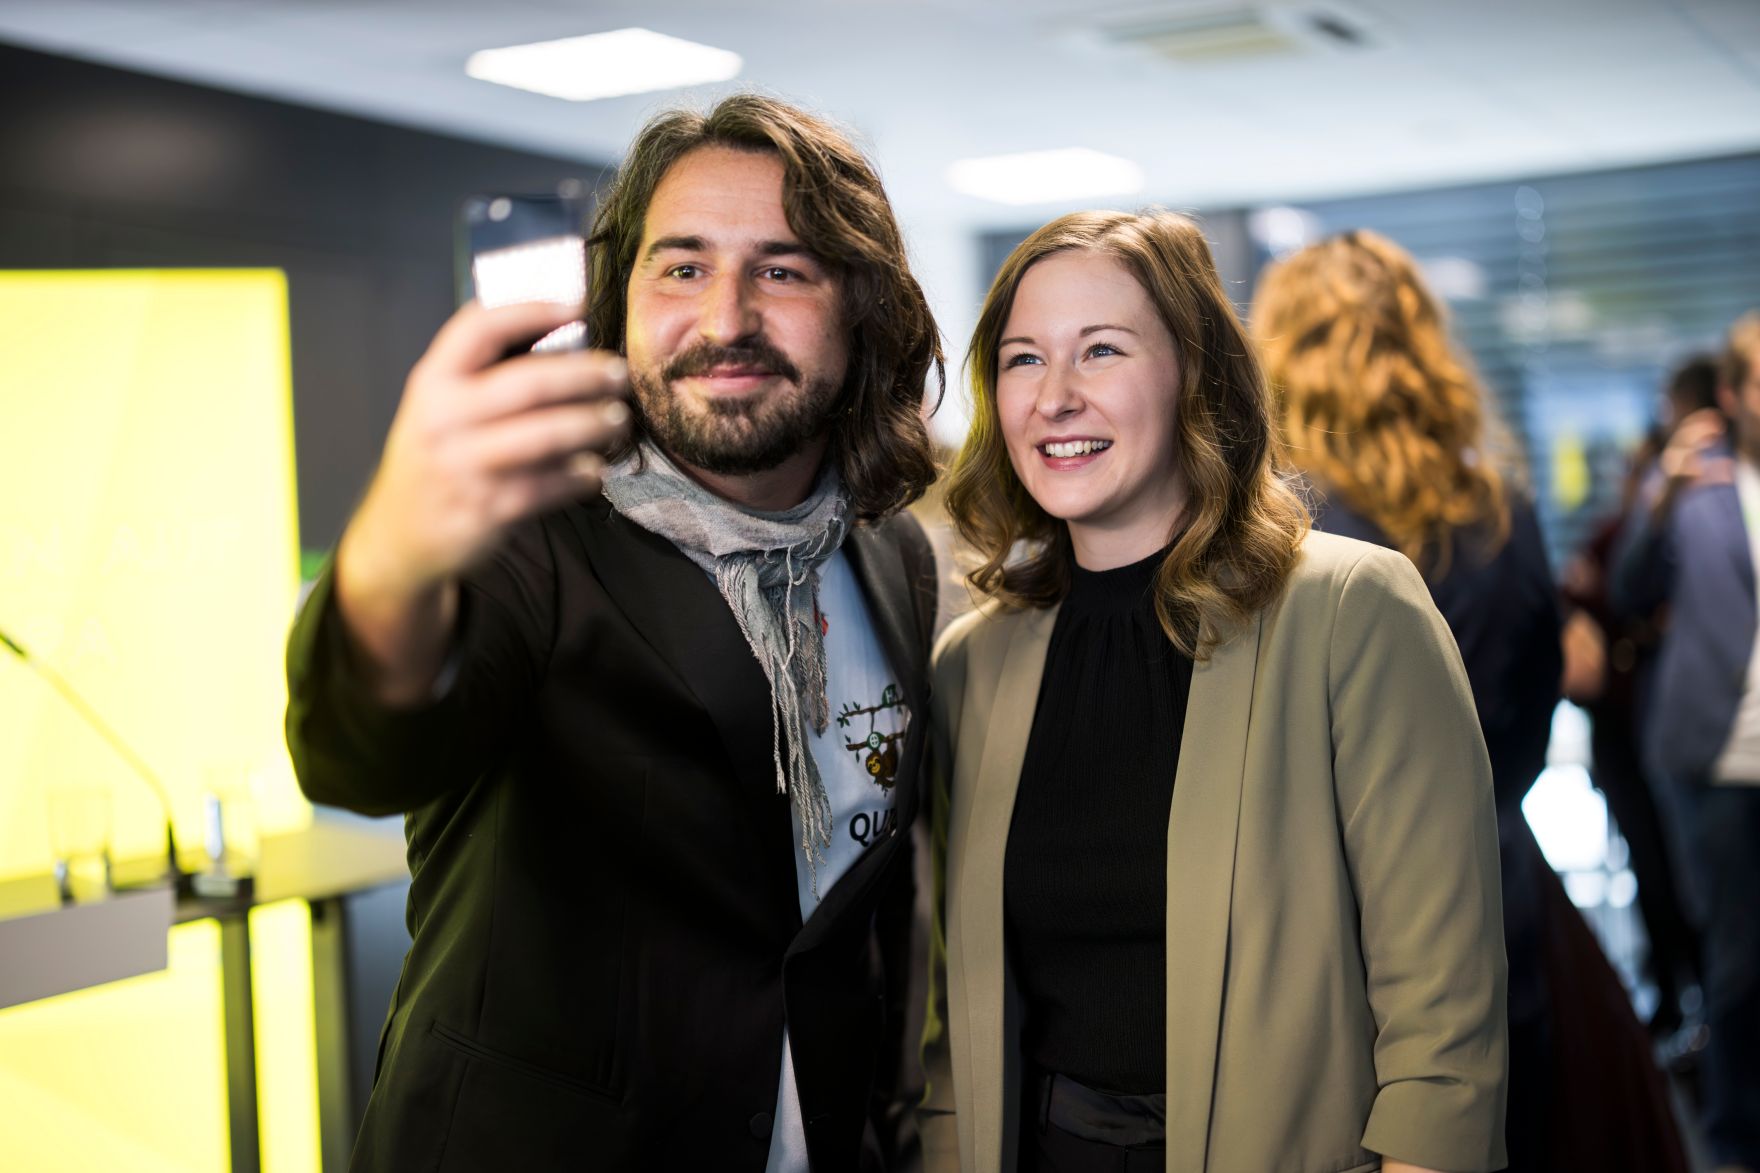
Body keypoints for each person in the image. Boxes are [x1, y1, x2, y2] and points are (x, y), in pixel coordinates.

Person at [285, 94, 944, 1171]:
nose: (725, 315)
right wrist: (390, 566)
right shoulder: (530, 536)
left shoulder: (888, 558)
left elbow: (860, 921)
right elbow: (362, 746)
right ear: (617, 301)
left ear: (858, 304)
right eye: (679, 268)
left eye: (782, 270)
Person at [918, 210, 1507, 1173]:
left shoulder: (1351, 611)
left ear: (1196, 374)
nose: (1055, 397)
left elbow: (1443, 1031)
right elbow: (953, 1010)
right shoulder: (973, 663)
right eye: (1024, 360)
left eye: (1099, 350)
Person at [1255, 228, 1688, 1173]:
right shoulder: (1498, 508)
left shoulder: (1283, 533)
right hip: (1497, 880)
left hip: (1338, 917)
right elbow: (1535, 721)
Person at [1614, 311, 1760, 1173]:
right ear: (1736, 394)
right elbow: (1628, 589)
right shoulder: (1693, 485)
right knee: (1737, 963)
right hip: (1714, 757)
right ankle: (1738, 1141)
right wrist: (1658, 499)